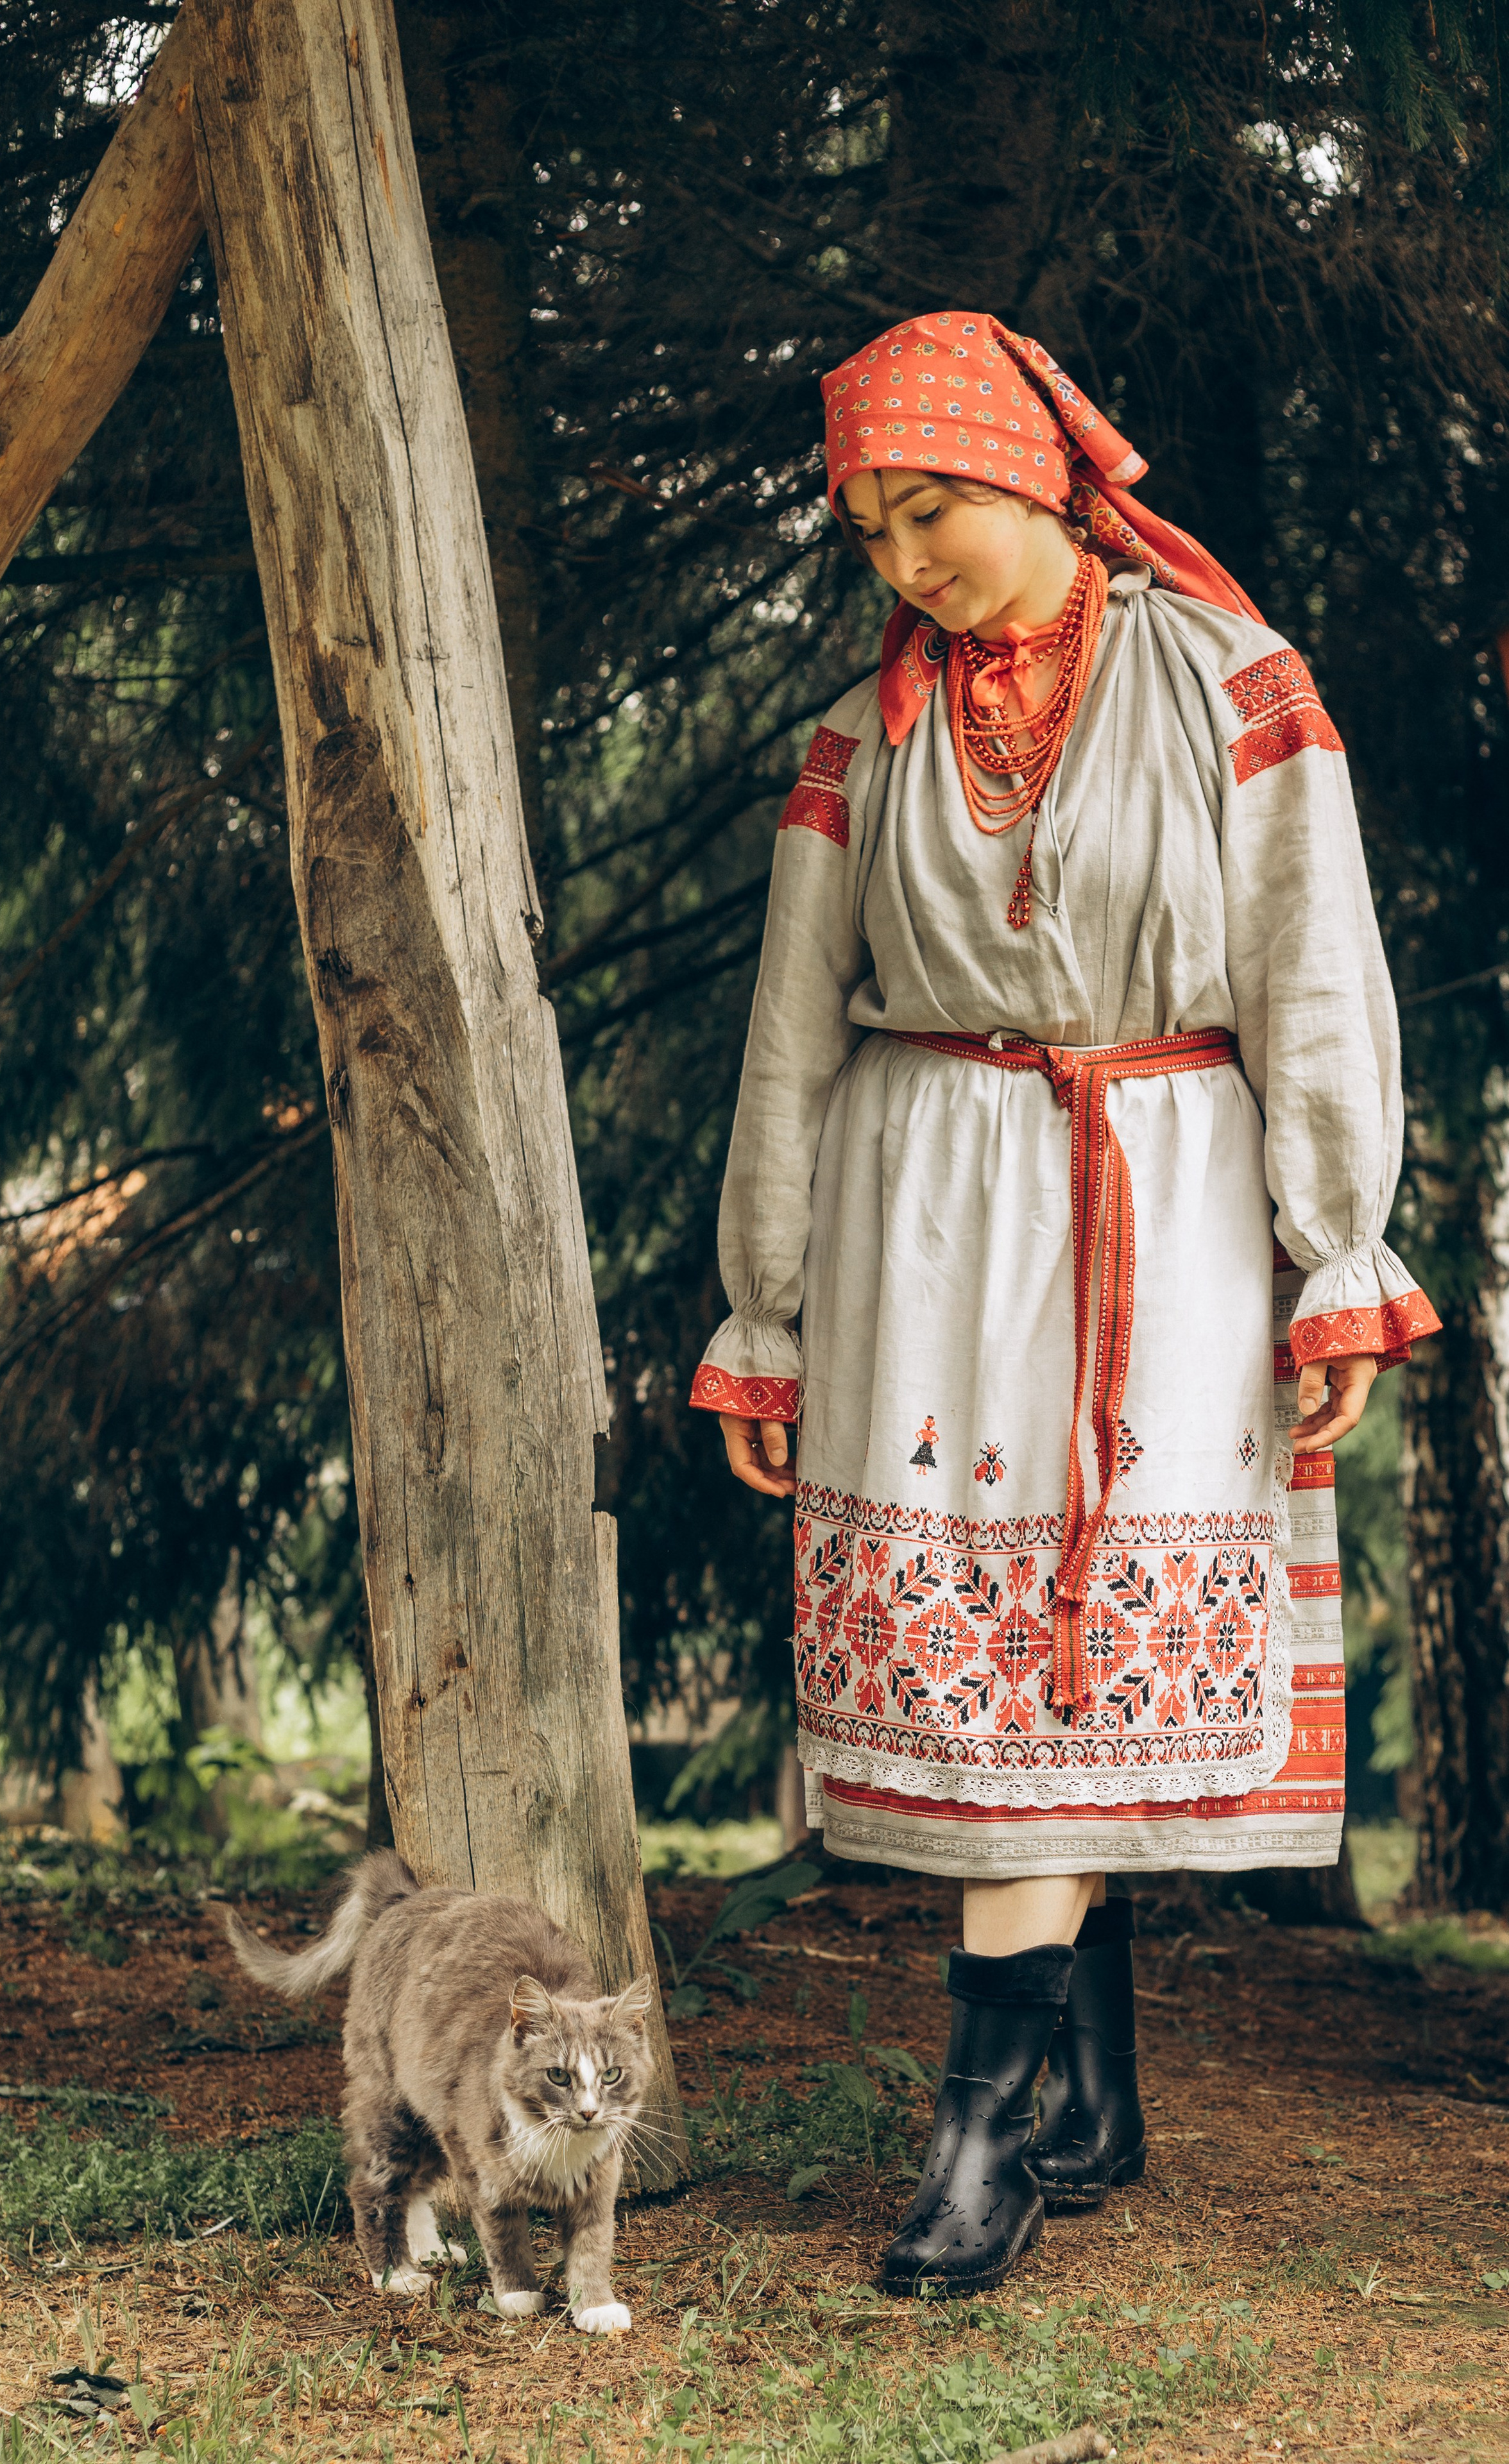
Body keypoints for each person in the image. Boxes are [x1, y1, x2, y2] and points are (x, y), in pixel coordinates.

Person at [688, 312, 1440, 2294]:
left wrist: (1330, 1253)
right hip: (927, 1210)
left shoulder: (1228, 684)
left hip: (1169, 1198)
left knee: (1083, 1652)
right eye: (869, 534)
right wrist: (762, 1304)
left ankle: (986, 2130)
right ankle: (1085, 2087)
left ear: (1026, 468)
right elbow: (791, 1031)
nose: (905, 561)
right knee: (986, 1669)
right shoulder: (869, 739)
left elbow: (1311, 970)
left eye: (927, 509)